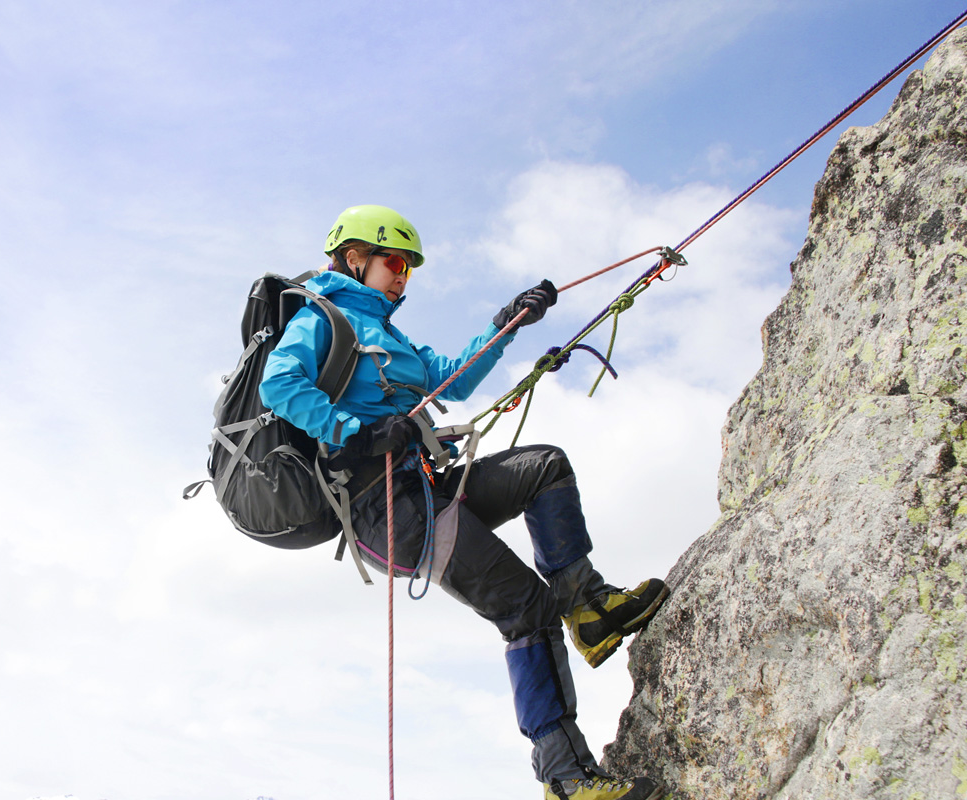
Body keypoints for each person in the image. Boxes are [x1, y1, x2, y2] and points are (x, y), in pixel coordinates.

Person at [259, 205, 669, 800]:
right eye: (394, 263)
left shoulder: (388, 335)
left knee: (545, 467)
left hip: (426, 486)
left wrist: (508, 325)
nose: (403, 276)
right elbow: (281, 382)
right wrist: (360, 432)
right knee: (525, 606)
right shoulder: (322, 319)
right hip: (386, 511)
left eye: (408, 269)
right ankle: (565, 776)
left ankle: (589, 609)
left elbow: (455, 375)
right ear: (355, 259)